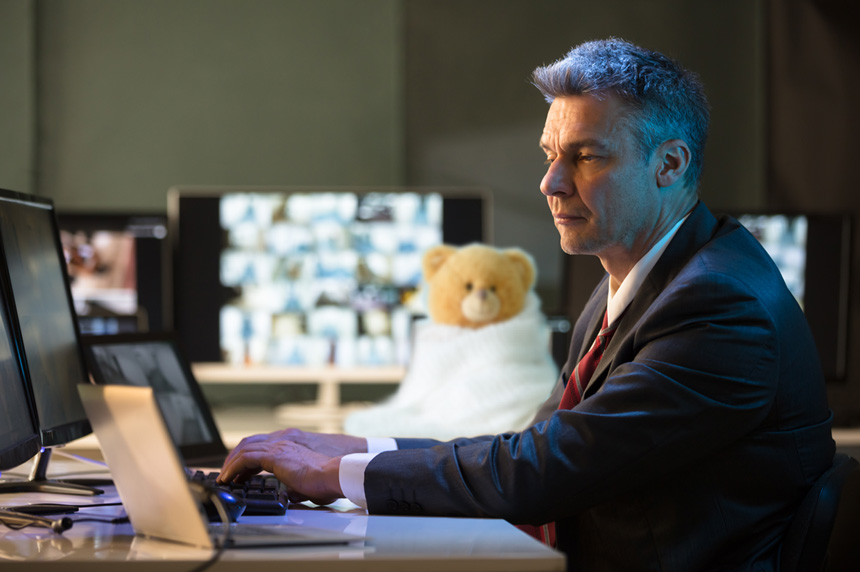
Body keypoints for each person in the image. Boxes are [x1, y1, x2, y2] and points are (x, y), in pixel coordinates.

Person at [218, 38, 835, 571]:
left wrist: (338, 475)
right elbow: (541, 442)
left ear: (669, 164)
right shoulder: (639, 277)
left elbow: (548, 469)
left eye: (585, 156)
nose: (550, 183)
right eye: (549, 155)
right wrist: (353, 450)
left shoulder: (720, 307)